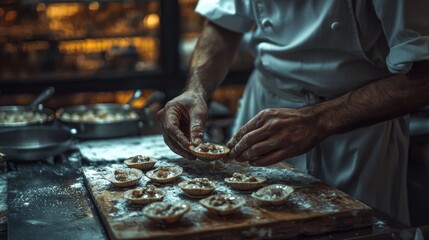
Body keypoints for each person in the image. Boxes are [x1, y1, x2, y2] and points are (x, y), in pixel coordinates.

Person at [157, 0, 429, 224]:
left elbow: (423, 79)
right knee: (248, 223)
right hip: (263, 108)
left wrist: (317, 121)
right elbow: (223, 24)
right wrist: (196, 89)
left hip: (355, 134)